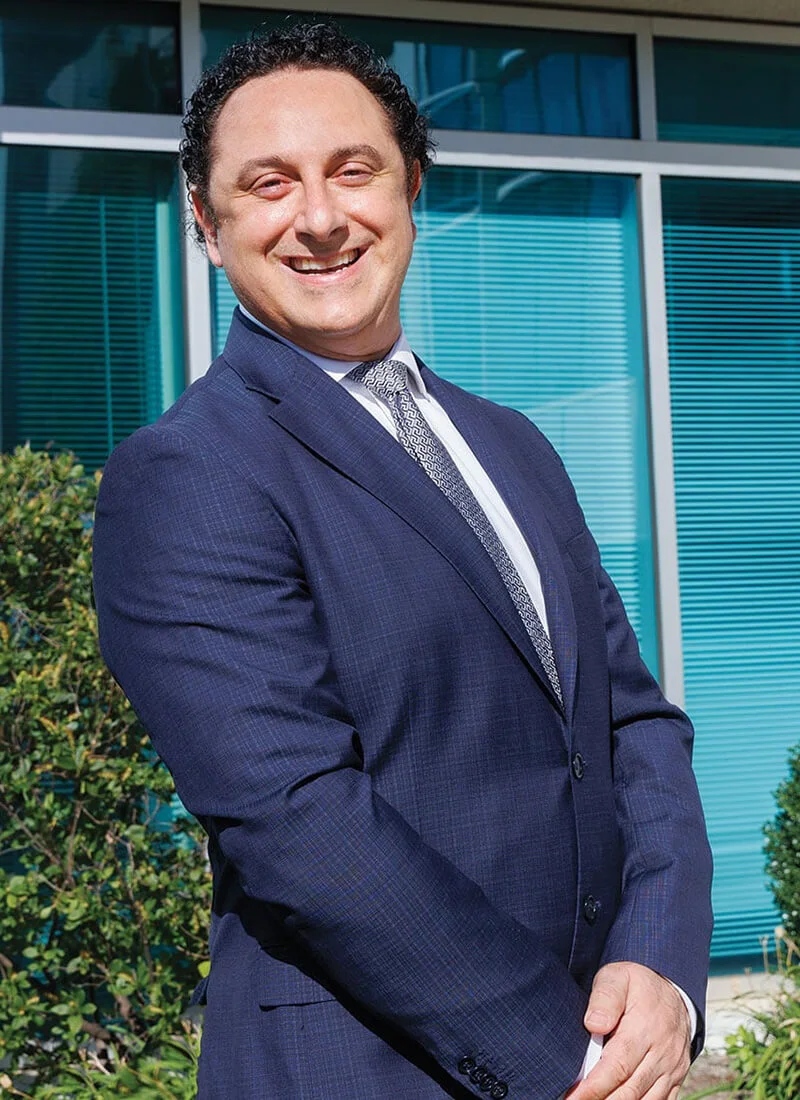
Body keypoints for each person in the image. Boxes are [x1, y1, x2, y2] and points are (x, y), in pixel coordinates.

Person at [92, 21, 713, 1100]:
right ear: (205, 219)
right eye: (269, 183)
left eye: (352, 169)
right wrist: (567, 1063)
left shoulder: (510, 441)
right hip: (372, 1068)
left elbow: (630, 724)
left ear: (410, 181)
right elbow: (298, 819)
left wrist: (660, 963)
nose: (321, 217)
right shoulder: (185, 475)